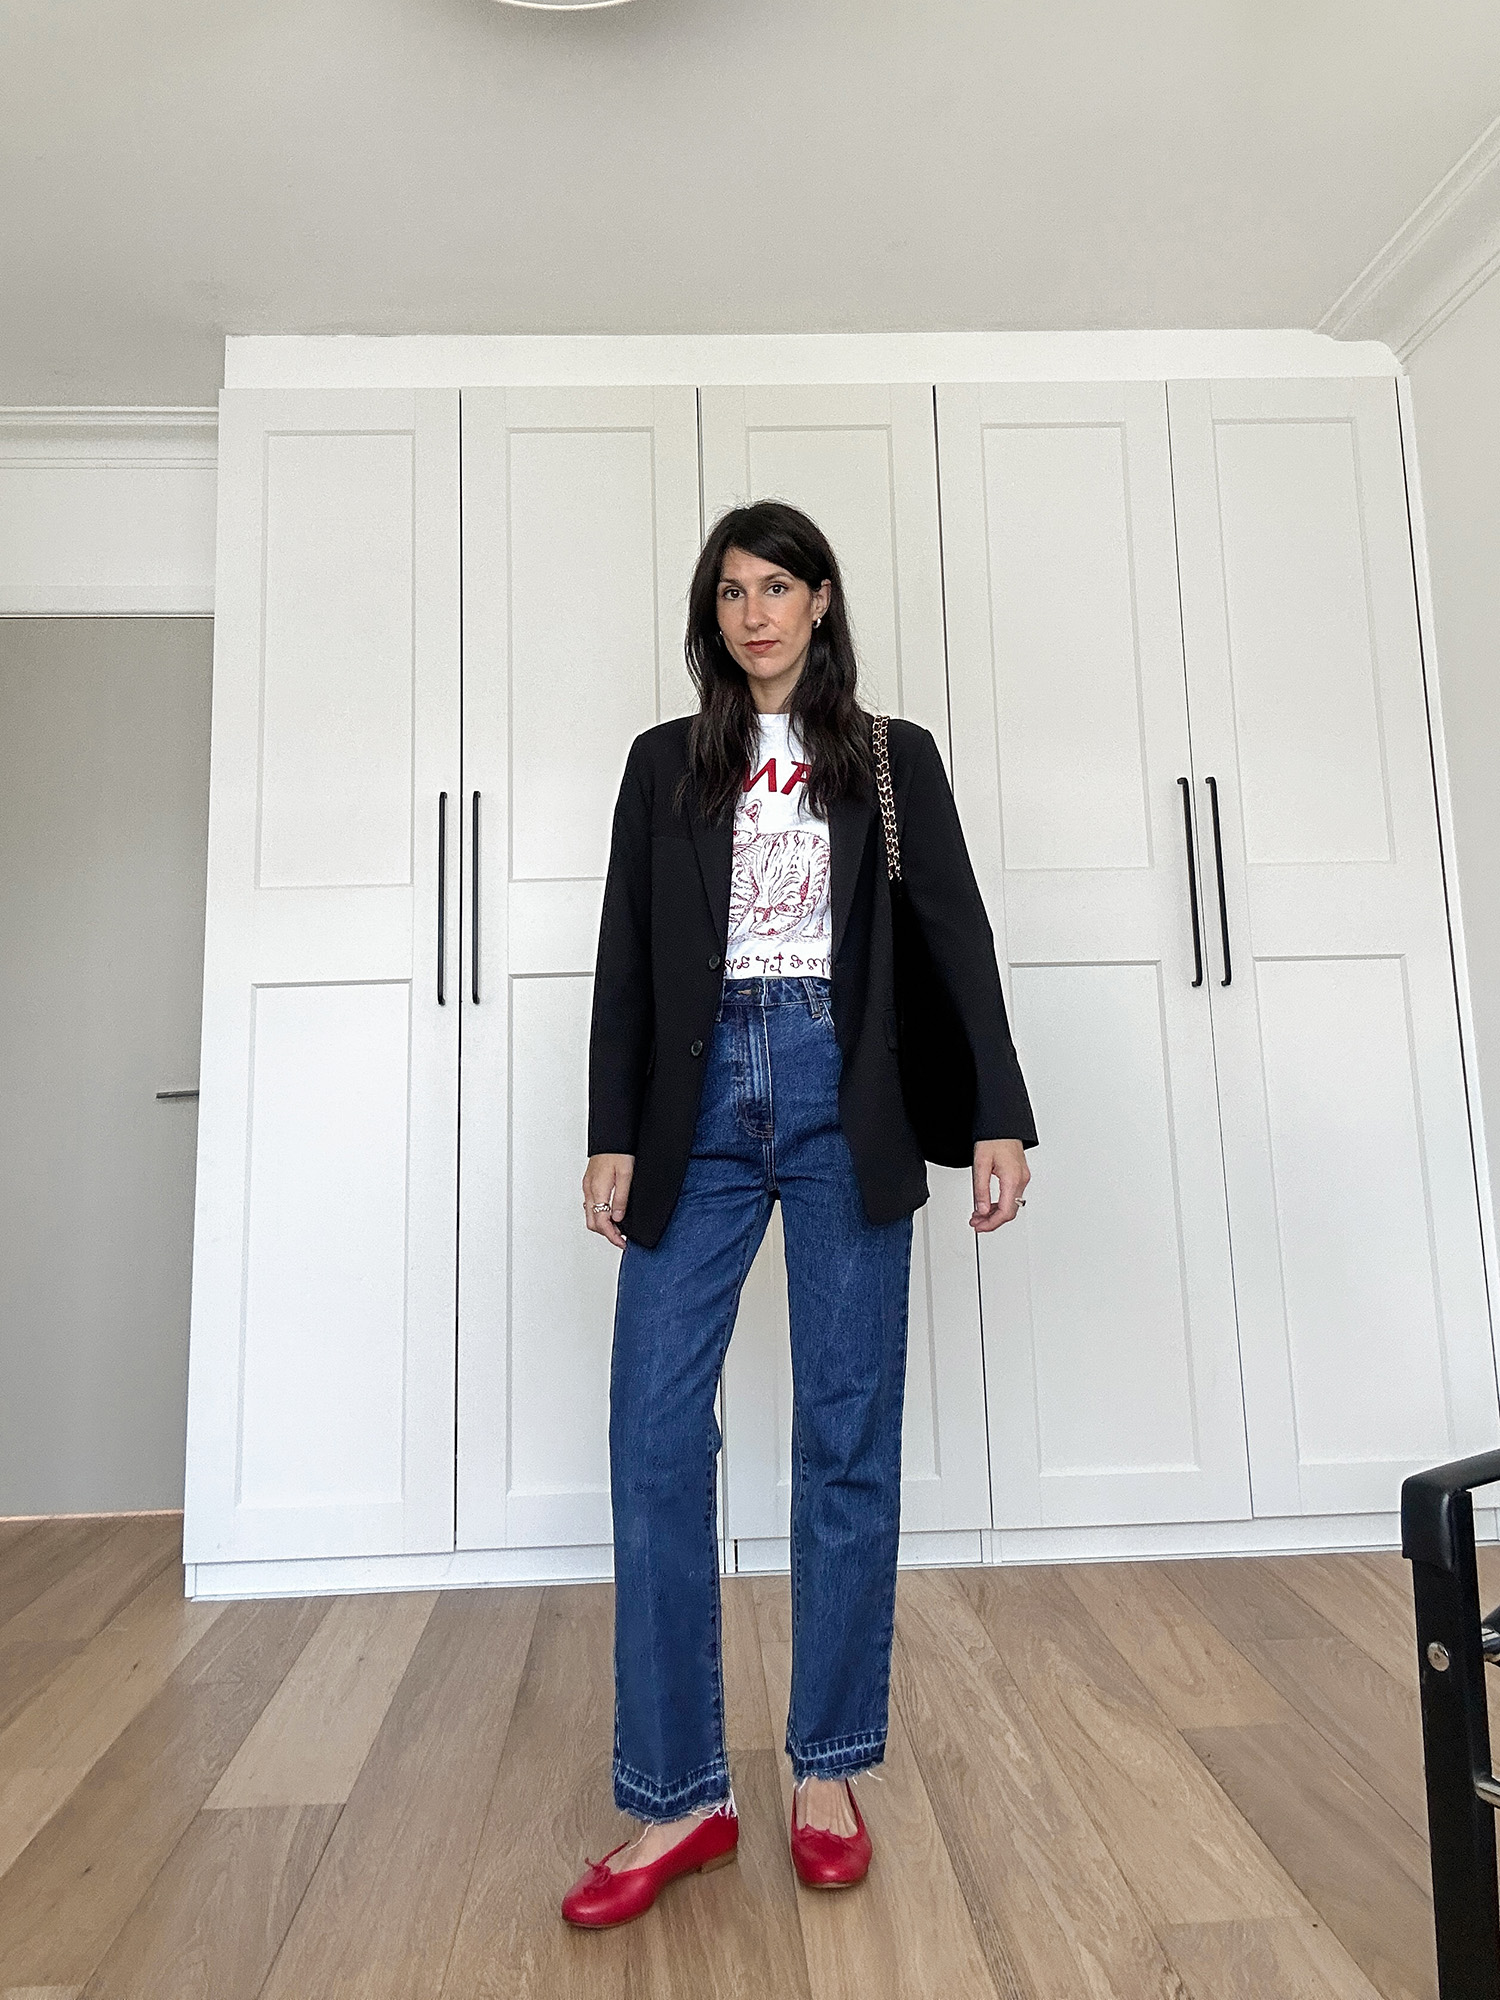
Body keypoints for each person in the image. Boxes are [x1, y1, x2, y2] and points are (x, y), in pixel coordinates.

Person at [562, 499, 1036, 1929]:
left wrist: (1000, 1109)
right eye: (729, 594)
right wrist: (609, 1136)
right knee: (654, 1434)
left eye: (778, 587)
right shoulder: (665, 767)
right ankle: (678, 1795)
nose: (753, 612)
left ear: (822, 603)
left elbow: (953, 930)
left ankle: (824, 1770)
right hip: (697, 1109)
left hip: (848, 1090)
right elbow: (628, 961)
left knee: (844, 1435)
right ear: (711, 618)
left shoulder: (892, 762)